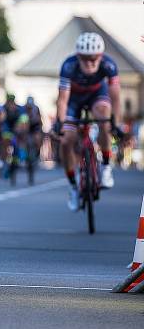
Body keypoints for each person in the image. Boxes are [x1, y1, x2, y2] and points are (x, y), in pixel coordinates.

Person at [54, 32, 122, 210]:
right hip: (73, 100)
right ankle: (73, 187)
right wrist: (60, 122)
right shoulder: (69, 66)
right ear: (78, 56)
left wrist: (116, 123)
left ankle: (106, 167)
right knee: (66, 141)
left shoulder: (109, 65)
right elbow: (62, 100)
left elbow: (115, 99)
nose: (90, 62)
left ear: (101, 56)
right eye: (85, 59)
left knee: (105, 118)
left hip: (97, 96)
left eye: (94, 58)